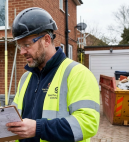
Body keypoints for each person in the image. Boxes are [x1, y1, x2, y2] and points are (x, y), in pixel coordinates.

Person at [6, 7, 100, 142]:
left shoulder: (78, 74)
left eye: (26, 45)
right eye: (20, 46)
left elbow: (88, 123)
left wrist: (38, 128)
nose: (22, 52)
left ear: (46, 40)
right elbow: (14, 119)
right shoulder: (25, 78)